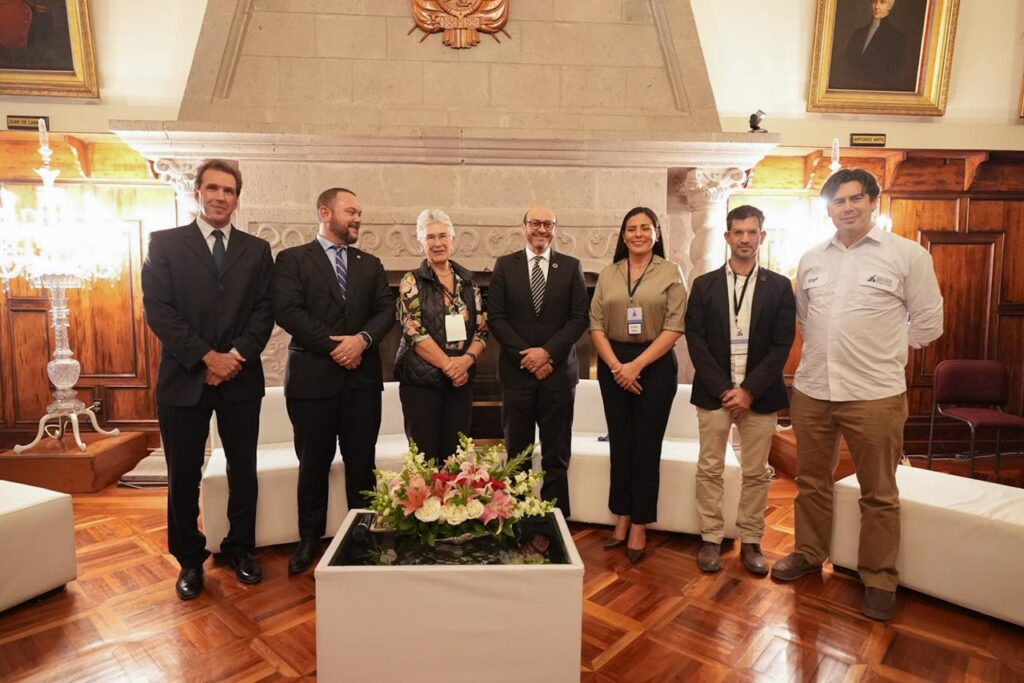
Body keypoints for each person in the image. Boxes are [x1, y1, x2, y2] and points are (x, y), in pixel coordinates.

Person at [770, 168, 943, 621]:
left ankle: (879, 576)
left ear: (872, 202)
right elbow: (806, 321)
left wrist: (881, 350)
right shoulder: (810, 258)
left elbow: (928, 324)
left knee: (879, 491)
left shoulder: (907, 256)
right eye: (837, 202)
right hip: (813, 391)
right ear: (827, 209)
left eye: (854, 199)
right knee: (810, 482)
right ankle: (808, 555)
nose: (846, 208)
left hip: (875, 394)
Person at [142, 159, 274, 600]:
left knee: (243, 469)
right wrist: (206, 357)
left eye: (230, 190)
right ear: (197, 192)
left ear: (238, 198)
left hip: (240, 376)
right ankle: (190, 560)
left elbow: (263, 311)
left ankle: (240, 549)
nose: (221, 197)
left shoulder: (256, 251)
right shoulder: (165, 244)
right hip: (183, 380)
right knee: (183, 475)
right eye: (213, 188)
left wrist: (233, 356)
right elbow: (159, 310)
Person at [271, 187, 395, 575]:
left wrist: (362, 341)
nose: (358, 218)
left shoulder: (370, 263)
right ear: (326, 212)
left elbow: (385, 310)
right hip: (312, 382)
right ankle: (309, 538)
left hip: (361, 382)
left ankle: (364, 536)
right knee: (313, 463)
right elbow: (287, 310)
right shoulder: (292, 260)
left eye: (360, 212)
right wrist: (333, 346)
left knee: (363, 463)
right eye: (351, 211)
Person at [685, 205, 796, 576]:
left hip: (760, 396)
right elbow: (696, 342)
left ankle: (751, 540)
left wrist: (748, 390)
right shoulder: (704, 285)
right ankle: (711, 538)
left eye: (752, 232)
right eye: (738, 232)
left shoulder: (779, 287)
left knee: (756, 471)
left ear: (761, 237)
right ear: (728, 237)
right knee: (710, 468)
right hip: (713, 393)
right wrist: (724, 390)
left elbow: (782, 345)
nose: (745, 238)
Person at [589, 207, 687, 564]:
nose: (638, 234)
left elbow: (676, 326)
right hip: (613, 364)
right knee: (621, 444)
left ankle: (641, 522)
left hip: (655, 365)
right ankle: (621, 516)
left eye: (646, 228)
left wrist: (637, 366)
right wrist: (617, 367)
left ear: (657, 233)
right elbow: (595, 324)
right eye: (631, 228)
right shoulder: (608, 273)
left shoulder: (671, 271)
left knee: (646, 446)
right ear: (623, 235)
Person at [488, 206, 589, 518]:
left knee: (557, 453)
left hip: (558, 376)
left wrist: (547, 354)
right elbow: (497, 318)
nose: (541, 229)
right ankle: (516, 518)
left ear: (555, 228)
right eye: (535, 223)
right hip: (517, 376)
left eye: (548, 224)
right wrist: (530, 357)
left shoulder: (571, 266)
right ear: (523, 227)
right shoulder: (505, 266)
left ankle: (553, 520)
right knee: (517, 453)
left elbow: (578, 318)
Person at [395, 209, 487, 464]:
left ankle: (454, 505)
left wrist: (466, 361)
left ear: (453, 240)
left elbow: (482, 330)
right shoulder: (411, 281)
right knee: (424, 459)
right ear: (421, 243)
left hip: (460, 381)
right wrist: (450, 366)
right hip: (421, 382)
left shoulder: (469, 283)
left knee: (455, 458)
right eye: (430, 237)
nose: (438, 243)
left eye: (443, 236)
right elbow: (413, 330)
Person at [831, 0, 916, 92]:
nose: (876, 7)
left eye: (882, 2)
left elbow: (897, 70)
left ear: (890, 6)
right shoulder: (858, 34)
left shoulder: (898, 37)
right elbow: (847, 63)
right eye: (874, 2)